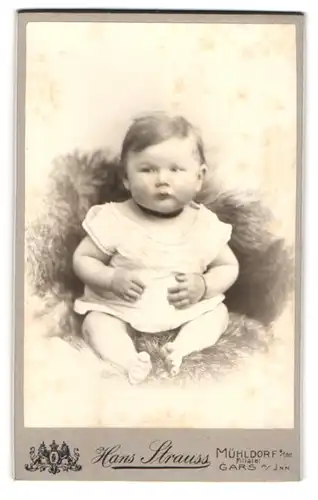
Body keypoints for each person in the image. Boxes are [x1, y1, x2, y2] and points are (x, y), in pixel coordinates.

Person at [72, 112, 239, 384]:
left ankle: (182, 349)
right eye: (147, 169)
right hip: (121, 308)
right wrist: (110, 278)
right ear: (126, 178)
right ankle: (128, 360)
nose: (162, 179)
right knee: (96, 323)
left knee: (216, 315)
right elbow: (83, 258)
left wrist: (204, 285)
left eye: (175, 169)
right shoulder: (113, 219)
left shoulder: (205, 224)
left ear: (199, 177)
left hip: (186, 310)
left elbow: (228, 265)